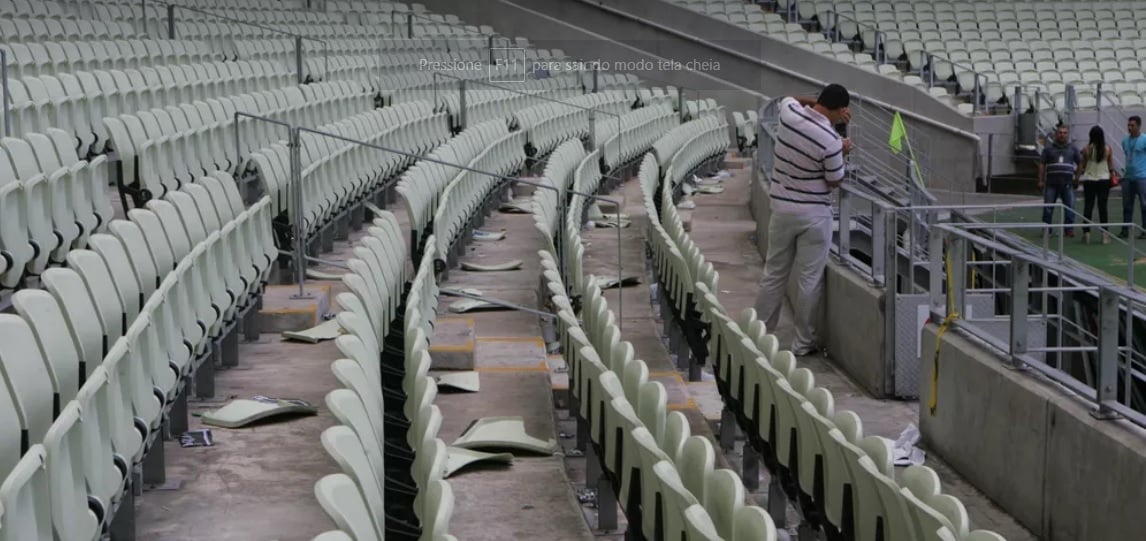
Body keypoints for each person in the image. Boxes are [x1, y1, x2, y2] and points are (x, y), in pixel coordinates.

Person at [753, 83, 851, 356]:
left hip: (782, 210)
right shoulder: (831, 140)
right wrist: (842, 151)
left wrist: (813, 100)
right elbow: (834, 180)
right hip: (814, 216)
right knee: (809, 281)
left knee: (774, 274)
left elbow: (789, 97)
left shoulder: (789, 113)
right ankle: (802, 342)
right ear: (840, 110)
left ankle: (760, 334)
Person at [1037, 124, 1081, 237]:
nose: (1062, 135)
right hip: (1051, 183)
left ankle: (1069, 229)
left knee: (1070, 207)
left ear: (1068, 135)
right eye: (1060, 133)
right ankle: (1047, 229)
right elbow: (1042, 164)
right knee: (1048, 207)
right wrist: (1040, 180)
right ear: (1056, 134)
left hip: (1067, 183)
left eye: (1065, 133)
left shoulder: (1073, 149)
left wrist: (1077, 178)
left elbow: (1080, 163)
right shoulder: (1048, 149)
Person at [1076, 125, 1115, 244]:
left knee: (1088, 206)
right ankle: (1104, 234)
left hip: (1089, 179)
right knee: (1102, 207)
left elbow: (1081, 165)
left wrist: (1076, 178)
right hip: (1103, 179)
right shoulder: (1107, 149)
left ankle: (1086, 233)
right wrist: (1113, 175)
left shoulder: (1086, 149)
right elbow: (1111, 166)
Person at [1121, 116, 1146, 239]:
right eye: (1129, 125)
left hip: (1142, 177)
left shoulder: (1144, 139)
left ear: (1139, 126)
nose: (1130, 128)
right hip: (1128, 177)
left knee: (1144, 204)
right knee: (1127, 205)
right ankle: (1126, 230)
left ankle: (1144, 230)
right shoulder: (1125, 141)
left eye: (1132, 125)